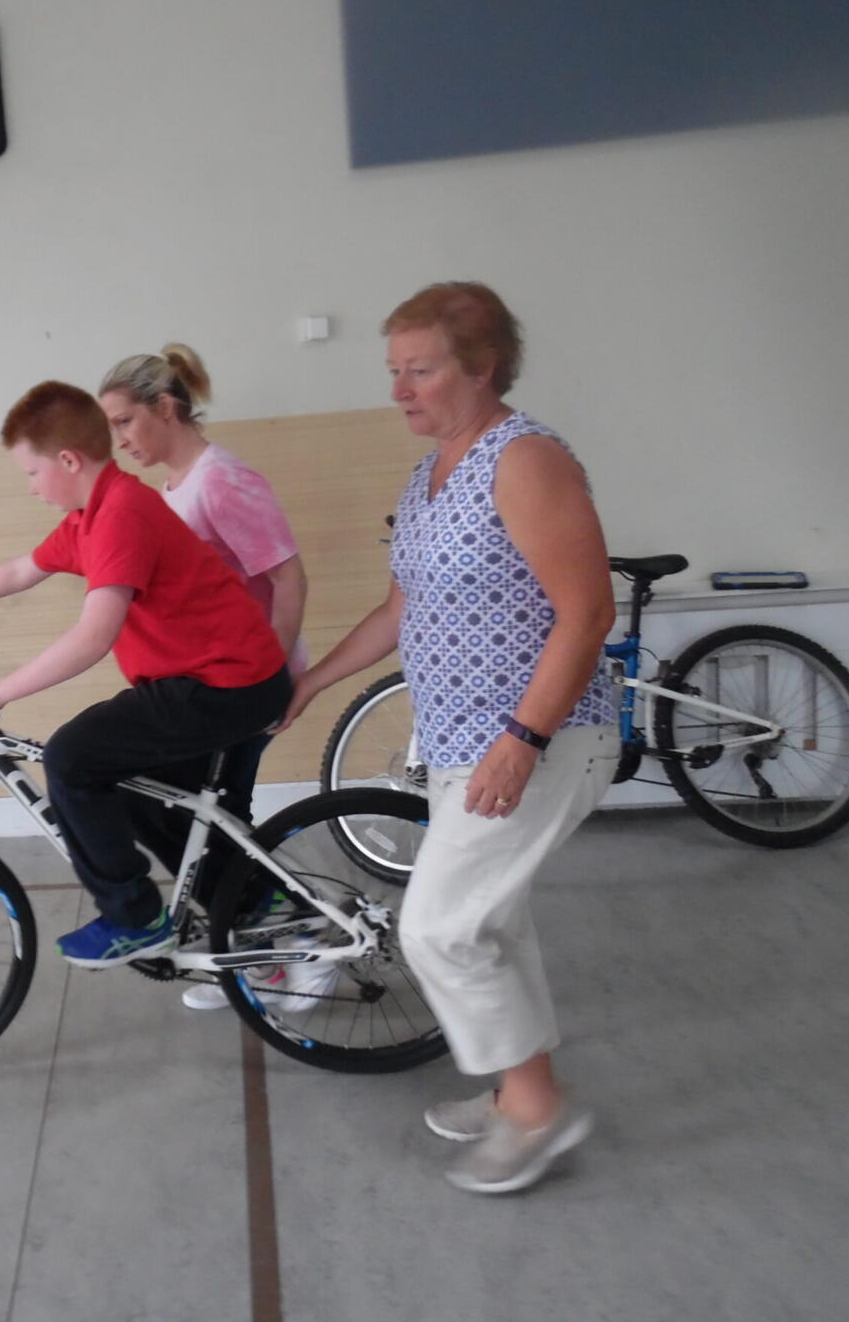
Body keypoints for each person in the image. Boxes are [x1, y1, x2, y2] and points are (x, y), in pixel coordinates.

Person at [276, 282, 618, 1194]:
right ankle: (521, 1093)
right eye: (394, 371)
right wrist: (312, 680)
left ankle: (537, 1114)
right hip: (459, 740)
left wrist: (521, 740)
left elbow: (588, 612)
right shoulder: (429, 476)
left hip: (541, 739)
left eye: (419, 370)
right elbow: (401, 609)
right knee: (489, 922)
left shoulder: (526, 460)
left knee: (438, 928)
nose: (399, 389)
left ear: (482, 367)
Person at [0, 381, 292, 968]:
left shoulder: (121, 515)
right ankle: (250, 901)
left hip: (227, 684)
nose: (31, 486)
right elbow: (23, 569)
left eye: (32, 473)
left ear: (68, 461)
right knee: (140, 793)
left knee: (72, 758)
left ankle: (135, 920)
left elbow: (94, 637)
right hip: (217, 679)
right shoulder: (92, 515)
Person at [97, 345, 326, 1012]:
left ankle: (302, 938)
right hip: (205, 681)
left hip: (244, 681)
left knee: (212, 814)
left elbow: (288, 578)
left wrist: (271, 676)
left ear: (166, 408)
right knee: (197, 812)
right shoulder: (174, 488)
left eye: (125, 422)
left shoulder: (222, 479)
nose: (119, 440)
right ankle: (252, 951)